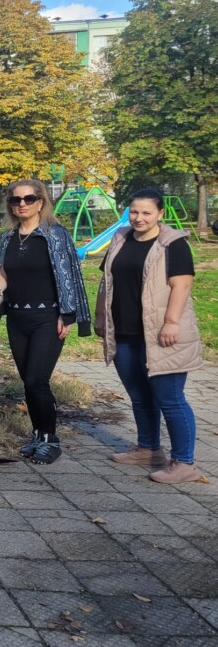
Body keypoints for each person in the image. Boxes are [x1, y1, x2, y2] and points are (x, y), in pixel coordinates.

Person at [0, 180, 91, 465]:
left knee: (37, 380)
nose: (22, 204)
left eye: (29, 199)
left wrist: (67, 314)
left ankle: (51, 439)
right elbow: (4, 272)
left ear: (41, 202)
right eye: (16, 200)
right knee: (28, 383)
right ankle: (38, 435)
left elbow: (67, 277)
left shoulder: (55, 235)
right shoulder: (8, 238)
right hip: (18, 318)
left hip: (47, 318)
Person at [95, 188, 203, 483]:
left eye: (146, 213)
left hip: (161, 333)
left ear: (160, 214)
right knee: (140, 396)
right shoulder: (120, 238)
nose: (138, 218)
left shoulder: (173, 244)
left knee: (170, 398)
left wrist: (171, 322)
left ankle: (184, 462)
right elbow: (108, 281)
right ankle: (148, 448)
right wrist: (102, 319)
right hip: (126, 332)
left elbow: (181, 286)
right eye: (134, 212)